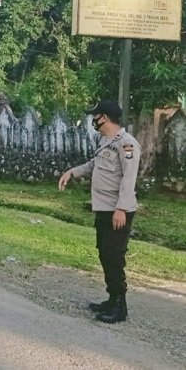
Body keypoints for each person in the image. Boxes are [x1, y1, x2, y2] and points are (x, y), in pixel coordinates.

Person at [58, 100, 140, 324]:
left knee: (114, 256)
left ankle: (119, 306)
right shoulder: (106, 141)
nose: (93, 120)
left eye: (96, 116)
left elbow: (129, 179)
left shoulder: (127, 144)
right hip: (103, 208)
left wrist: (121, 208)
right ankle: (112, 299)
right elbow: (94, 164)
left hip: (118, 210)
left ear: (104, 117)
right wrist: (72, 172)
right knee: (105, 253)